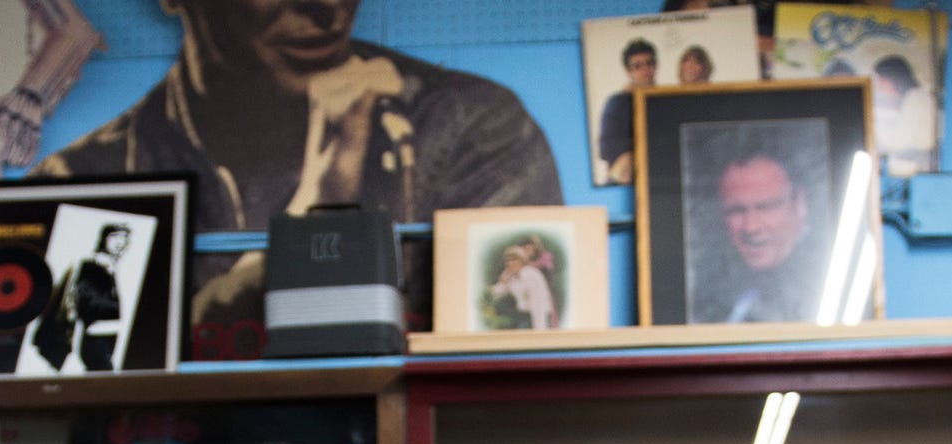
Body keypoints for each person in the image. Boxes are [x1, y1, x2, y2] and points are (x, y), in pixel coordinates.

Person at [36, 0, 561, 344]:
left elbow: (503, 348)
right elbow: (80, 369)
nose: (327, 7)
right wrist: (322, 199)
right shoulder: (83, 181)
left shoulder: (470, 125)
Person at [692, 147, 823, 324]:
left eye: (767, 207)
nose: (751, 227)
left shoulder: (830, 271)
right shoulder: (703, 288)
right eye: (736, 211)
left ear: (799, 205)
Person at [36, 223, 132, 373]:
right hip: (94, 338)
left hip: (108, 338)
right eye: (115, 237)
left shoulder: (113, 268)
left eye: (124, 238)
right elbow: (88, 303)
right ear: (104, 238)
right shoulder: (90, 265)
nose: (120, 242)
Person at [598, 38, 658, 184]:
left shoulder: (664, 101)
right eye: (637, 66)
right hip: (625, 178)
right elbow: (606, 149)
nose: (645, 70)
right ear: (628, 71)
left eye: (649, 63)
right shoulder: (617, 103)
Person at [490, 237, 558, 330]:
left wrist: (539, 332)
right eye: (508, 260)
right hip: (523, 319)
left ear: (523, 261)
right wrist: (502, 282)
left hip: (539, 319)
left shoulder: (530, 274)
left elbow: (538, 305)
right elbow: (493, 295)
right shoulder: (512, 278)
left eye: (514, 260)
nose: (510, 263)